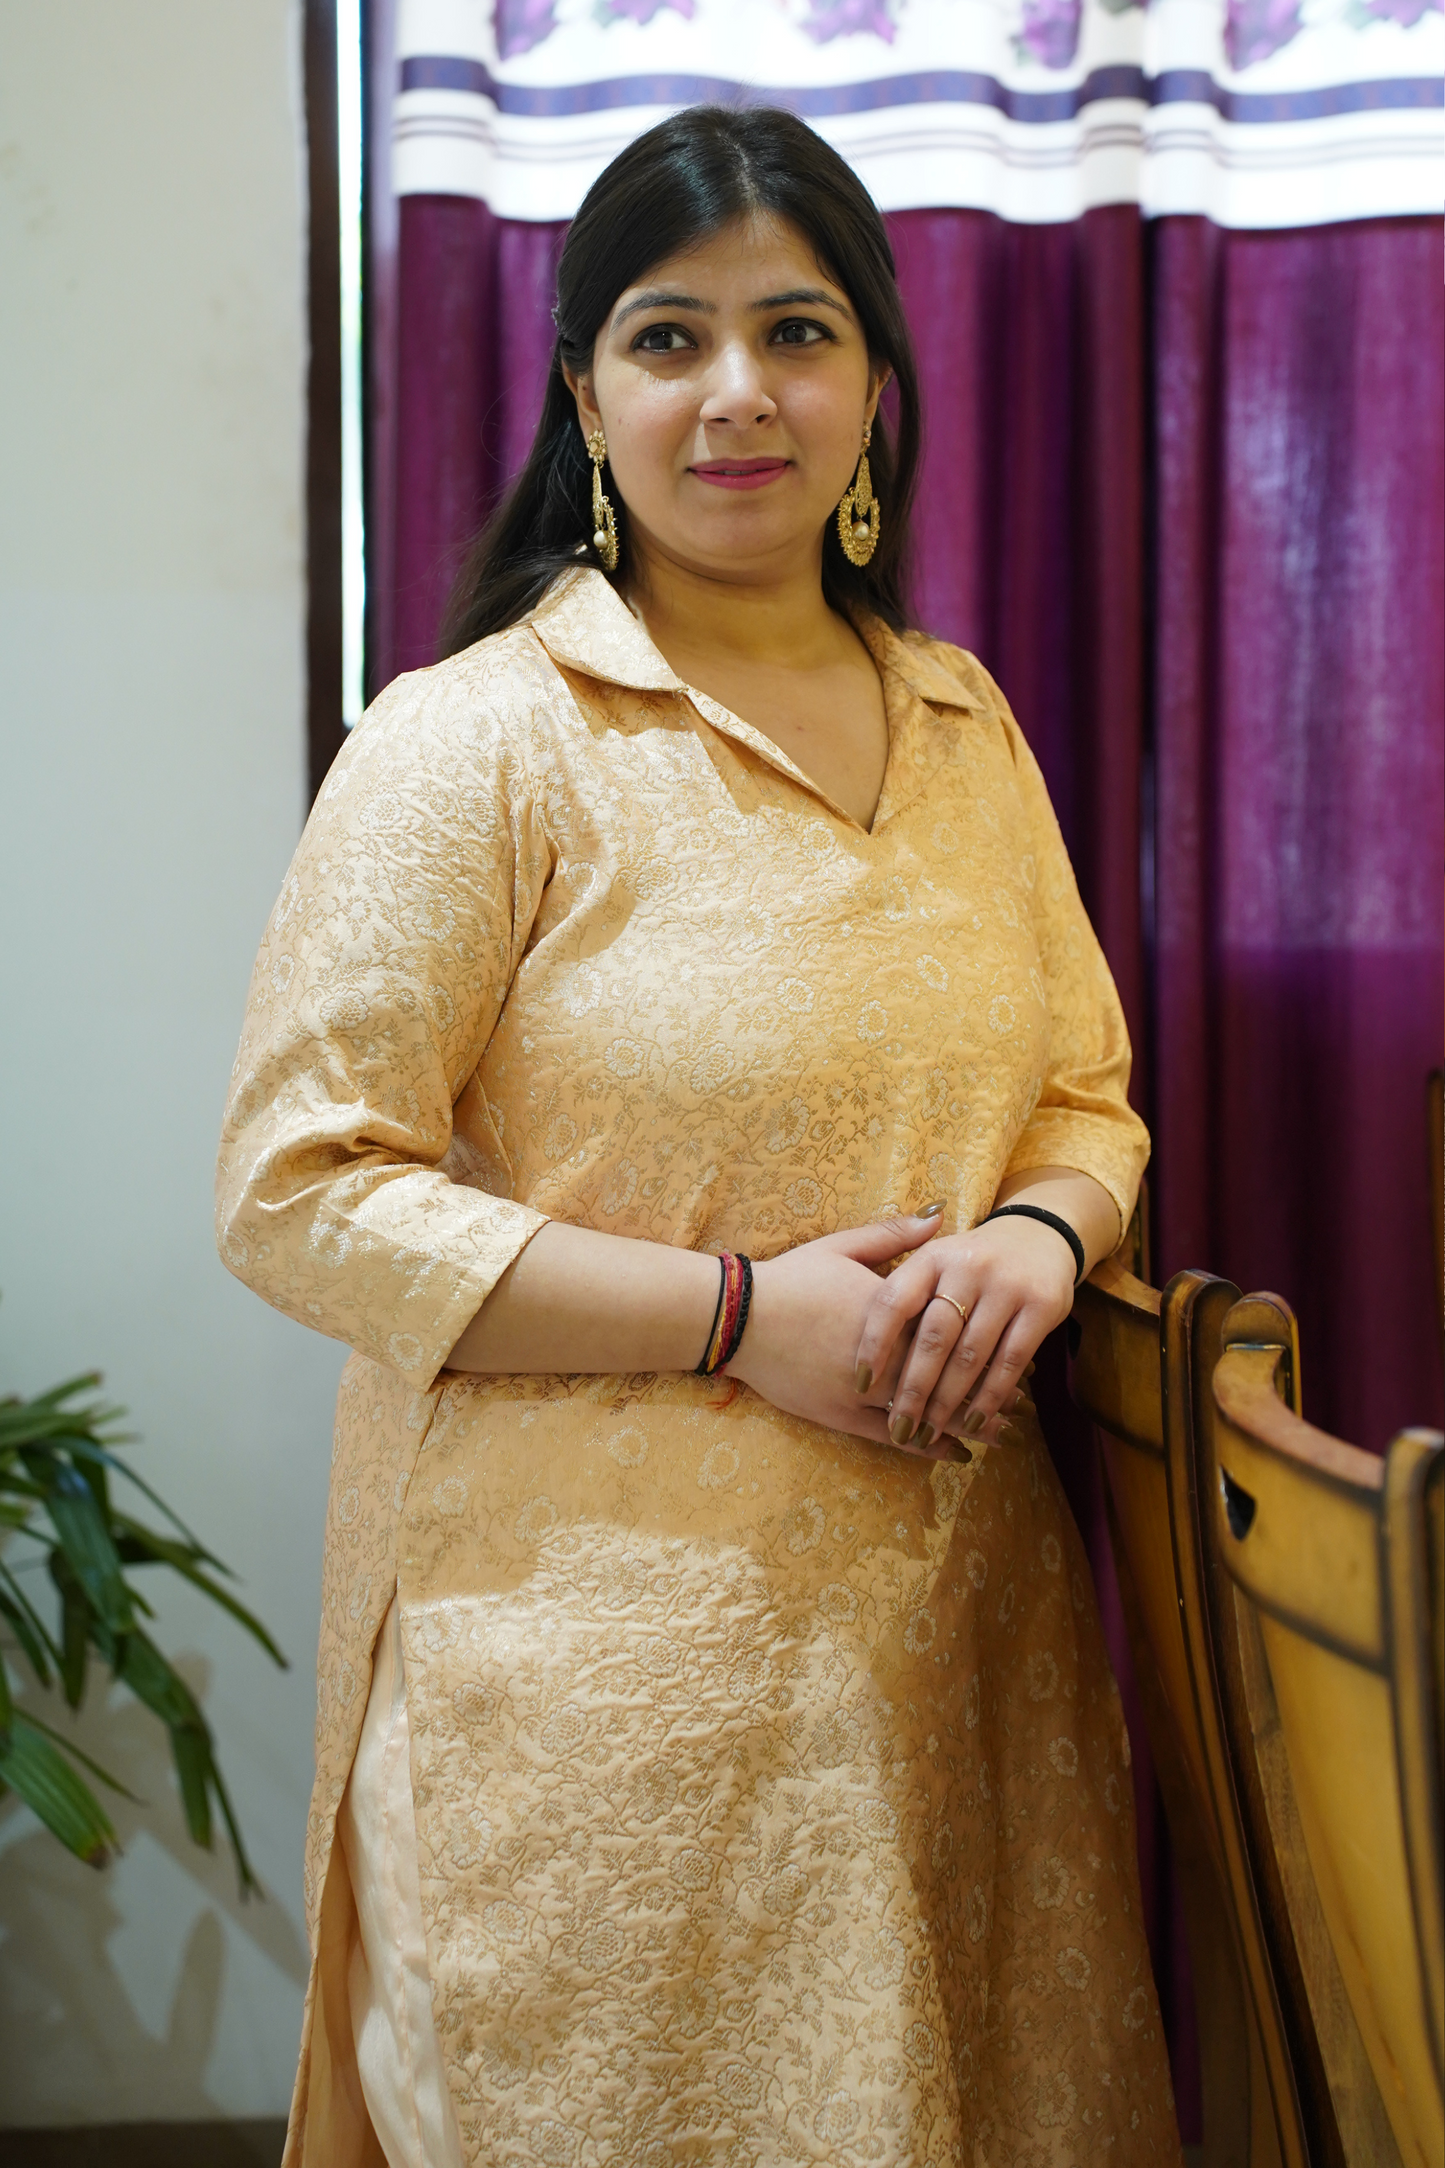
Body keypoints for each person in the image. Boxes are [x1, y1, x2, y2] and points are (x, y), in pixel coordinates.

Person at [218, 103, 1180, 2168]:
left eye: (795, 332)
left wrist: (1036, 1237)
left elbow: (1083, 1095)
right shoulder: (475, 740)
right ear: (585, 395)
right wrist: (742, 1315)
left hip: (956, 1656)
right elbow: (300, 1191)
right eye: (668, 338)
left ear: (874, 383)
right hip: (590, 1709)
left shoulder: (962, 722)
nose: (738, 391)